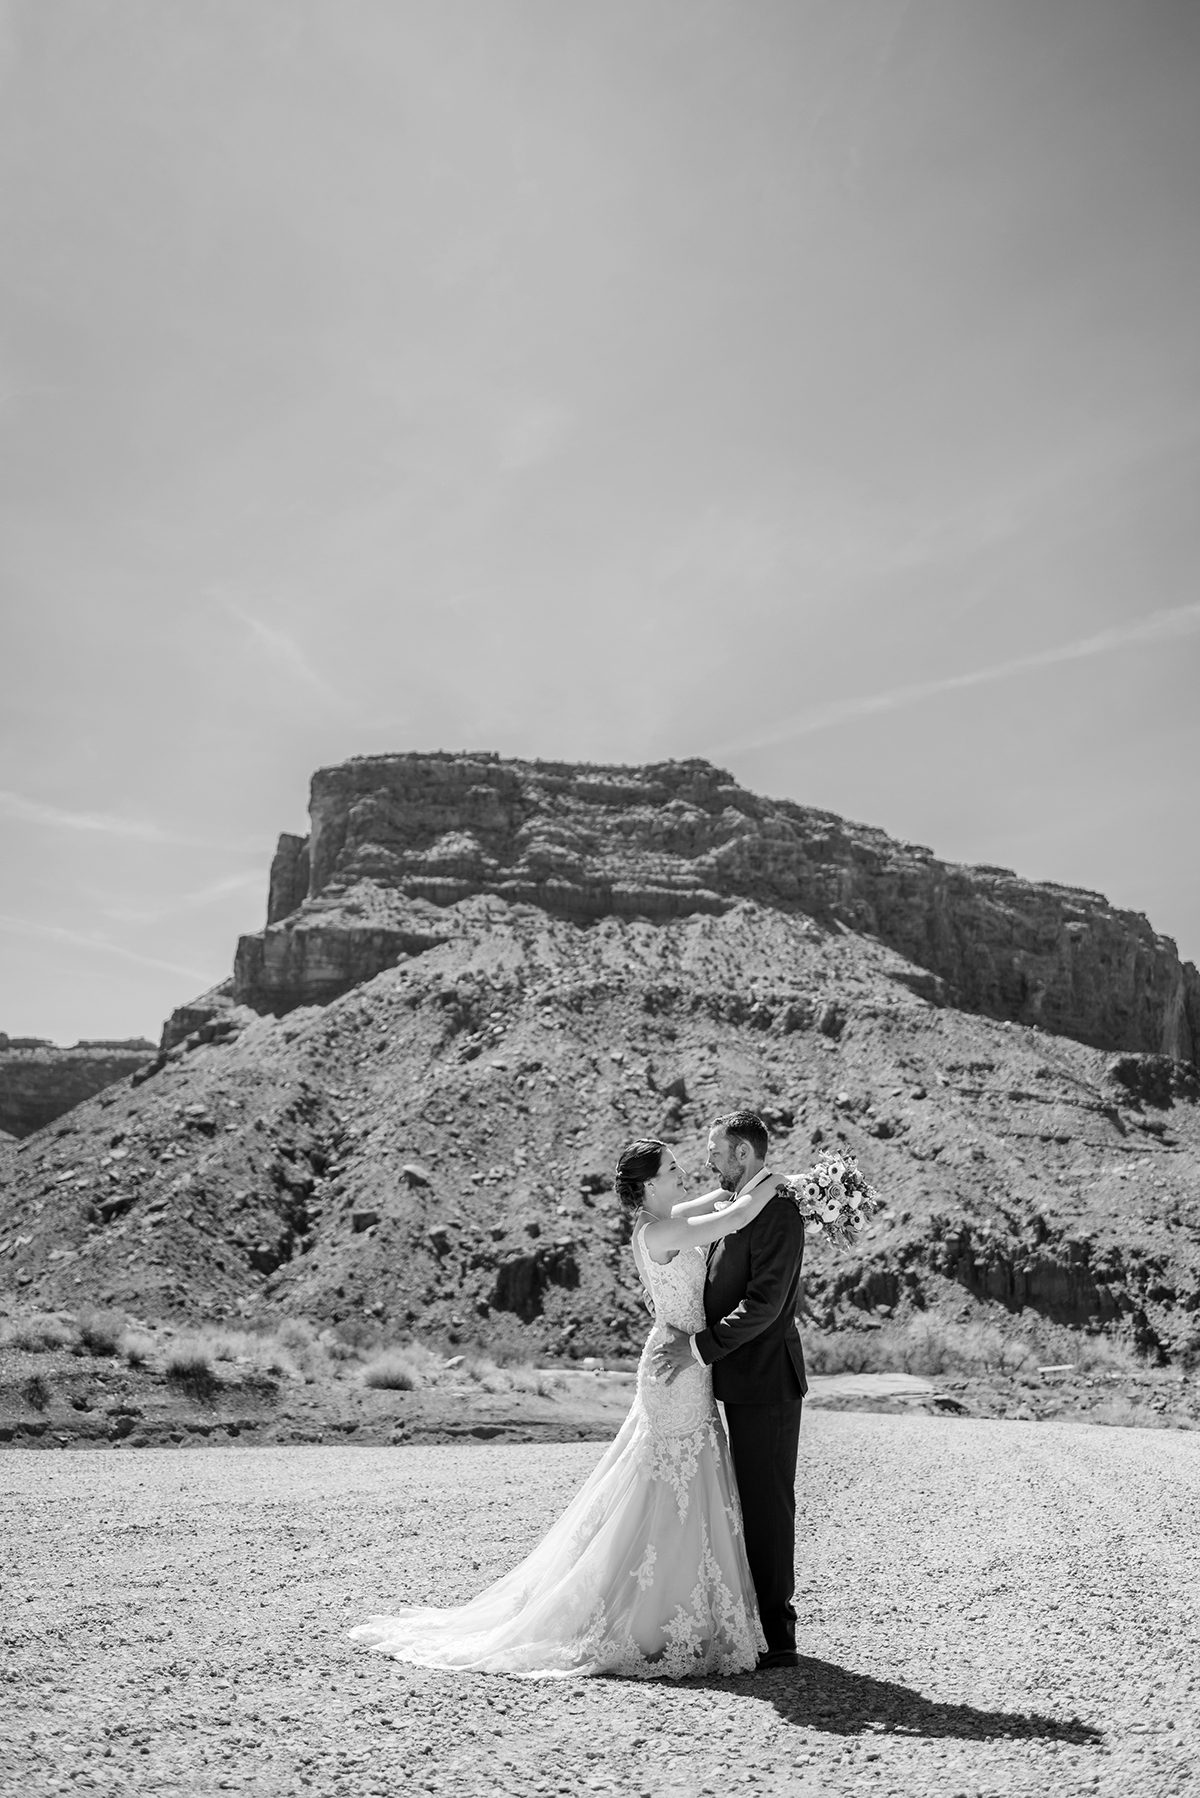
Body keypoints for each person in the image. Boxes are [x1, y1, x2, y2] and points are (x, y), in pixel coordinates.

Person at [349, 1136, 785, 1679]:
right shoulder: (664, 1230)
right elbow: (735, 1215)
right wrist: (781, 1183)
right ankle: (652, 1617)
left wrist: (754, 1186)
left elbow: (719, 1205)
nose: (683, 1175)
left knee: (678, 1485)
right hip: (676, 1371)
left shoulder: (660, 1220)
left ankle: (680, 1609)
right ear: (649, 1185)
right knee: (668, 1486)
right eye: (673, 1169)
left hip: (684, 1368)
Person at [653, 1110, 806, 1671]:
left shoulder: (779, 1211)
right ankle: (749, 1627)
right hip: (731, 1379)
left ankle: (779, 1639)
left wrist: (699, 1349)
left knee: (766, 1507)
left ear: (743, 1153)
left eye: (716, 1148)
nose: (708, 1158)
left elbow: (763, 1305)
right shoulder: (737, 1202)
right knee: (738, 1504)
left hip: (766, 1381)